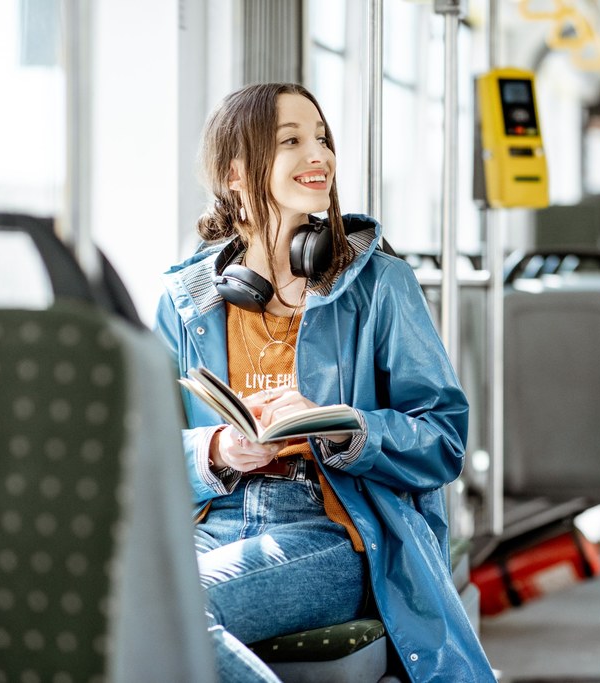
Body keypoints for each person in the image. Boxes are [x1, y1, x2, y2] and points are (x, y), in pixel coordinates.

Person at [154, 82, 496, 682]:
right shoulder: (186, 303)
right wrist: (217, 448)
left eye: (322, 139)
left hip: (333, 528)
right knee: (108, 612)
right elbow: (142, 452)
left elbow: (443, 439)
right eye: (292, 141)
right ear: (236, 173)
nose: (320, 156)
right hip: (216, 523)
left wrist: (344, 429)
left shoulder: (379, 285)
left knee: (173, 613)